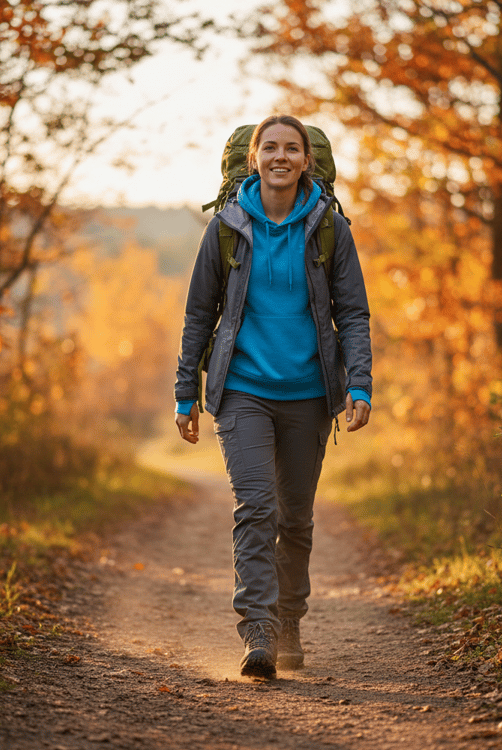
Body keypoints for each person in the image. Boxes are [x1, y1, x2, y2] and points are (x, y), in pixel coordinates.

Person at [174, 114, 372, 678]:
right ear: (253, 159)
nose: (280, 157)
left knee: (297, 519)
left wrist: (360, 382)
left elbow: (353, 314)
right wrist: (186, 391)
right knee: (256, 508)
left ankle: (289, 621)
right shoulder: (227, 228)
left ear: (307, 161)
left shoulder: (330, 228)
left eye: (292, 148)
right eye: (270, 148)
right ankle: (257, 630)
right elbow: (198, 314)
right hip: (242, 392)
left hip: (310, 394)